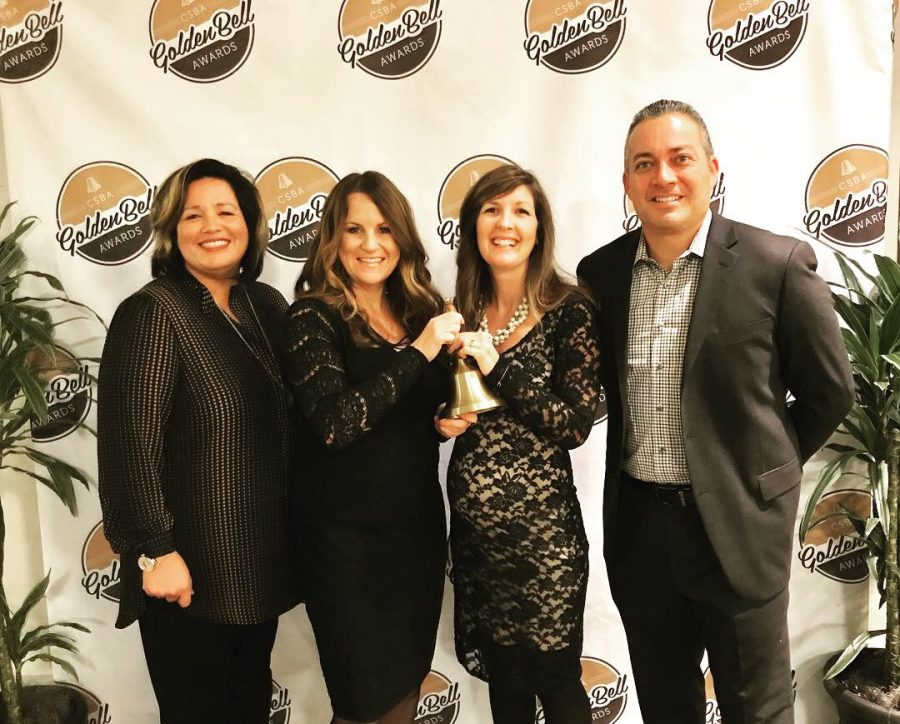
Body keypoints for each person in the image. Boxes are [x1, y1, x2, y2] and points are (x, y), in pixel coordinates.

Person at [576, 99, 854, 724]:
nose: (663, 177)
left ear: (712, 168)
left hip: (737, 532)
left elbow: (829, 392)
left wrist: (762, 475)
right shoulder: (601, 274)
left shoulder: (774, 265)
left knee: (757, 711)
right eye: (644, 164)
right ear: (626, 183)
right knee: (665, 709)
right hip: (641, 534)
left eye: (680, 159)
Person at [97, 158, 300, 723]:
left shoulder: (267, 307)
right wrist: (155, 550)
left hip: (258, 562)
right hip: (185, 570)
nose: (212, 226)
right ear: (171, 231)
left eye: (226, 211)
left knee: (249, 709)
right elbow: (127, 448)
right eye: (193, 215)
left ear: (250, 224)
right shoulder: (154, 313)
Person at [283, 171, 462, 724]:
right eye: (354, 229)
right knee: (365, 704)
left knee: (404, 693)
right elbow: (336, 423)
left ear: (402, 238)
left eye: (384, 229)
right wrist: (420, 351)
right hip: (345, 549)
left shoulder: (416, 311)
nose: (370, 244)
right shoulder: (313, 316)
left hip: (415, 535)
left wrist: (441, 423)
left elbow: (401, 415)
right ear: (332, 239)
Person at [437, 164, 601, 724]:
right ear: (473, 225)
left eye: (520, 211)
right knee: (505, 679)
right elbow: (451, 404)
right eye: (491, 210)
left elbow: (573, 425)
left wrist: (497, 364)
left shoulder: (569, 308)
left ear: (539, 227)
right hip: (479, 539)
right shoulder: (459, 308)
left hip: (543, 543)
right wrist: (442, 420)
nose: (505, 223)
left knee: (555, 680)